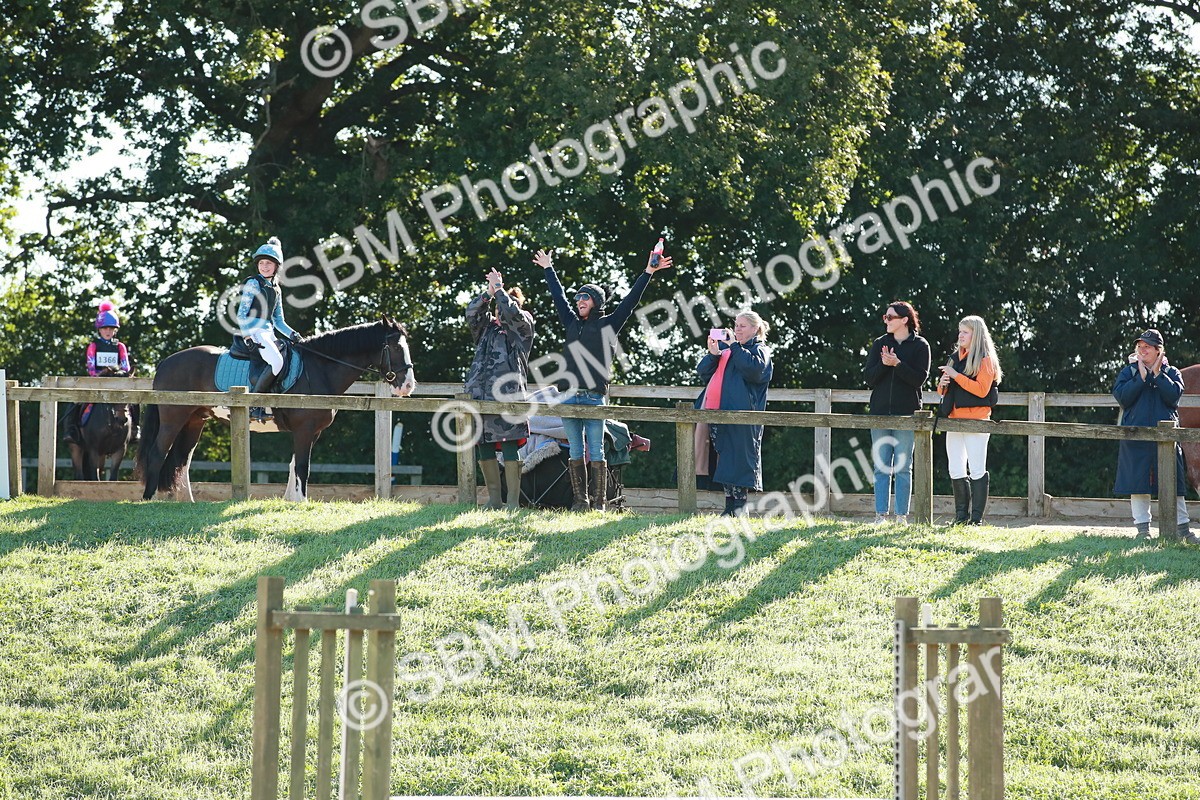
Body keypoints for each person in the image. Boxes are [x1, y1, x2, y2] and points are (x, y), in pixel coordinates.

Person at [535, 245, 673, 511]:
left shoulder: (609, 324)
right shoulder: (571, 322)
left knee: (596, 451)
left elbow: (631, 301)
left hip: (594, 397)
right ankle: (580, 501)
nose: (579, 302)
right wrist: (548, 269)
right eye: (578, 299)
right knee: (575, 451)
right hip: (569, 395)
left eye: (584, 298)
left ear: (596, 301)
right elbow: (558, 297)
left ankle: (599, 503)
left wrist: (648, 271)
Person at [1112, 329, 1196, 542]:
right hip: (1137, 437)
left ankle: (1183, 530)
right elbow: (1123, 398)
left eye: (1147, 347)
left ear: (1159, 351)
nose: (1142, 350)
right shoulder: (1128, 373)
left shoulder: (1173, 372)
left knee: (1174, 486)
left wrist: (1158, 375)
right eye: (1140, 346)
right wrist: (1140, 377)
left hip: (1166, 439)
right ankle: (1143, 531)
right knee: (1138, 485)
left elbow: (1173, 397)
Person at [463, 268, 535, 510]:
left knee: (509, 445)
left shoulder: (521, 329)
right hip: (479, 399)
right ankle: (494, 501)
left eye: (503, 305)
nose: (500, 311)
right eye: (497, 307)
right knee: (483, 446)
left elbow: (514, 314)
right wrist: (488, 293)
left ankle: (513, 503)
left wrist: (501, 291)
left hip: (508, 400)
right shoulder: (487, 329)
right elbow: (472, 314)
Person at [695, 311, 773, 517]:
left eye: (743, 326)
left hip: (742, 414)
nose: (737, 329)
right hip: (717, 411)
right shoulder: (729, 349)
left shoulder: (759, 349)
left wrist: (734, 347)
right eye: (736, 325)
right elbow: (702, 371)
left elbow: (755, 371)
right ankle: (730, 506)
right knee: (724, 459)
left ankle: (739, 507)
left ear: (755, 329)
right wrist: (713, 353)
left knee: (738, 459)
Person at [864, 301, 931, 525]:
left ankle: (902, 516)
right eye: (885, 317)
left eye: (890, 317)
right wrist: (885, 364)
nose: (886, 320)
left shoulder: (921, 346)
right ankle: (880, 515)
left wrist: (898, 364)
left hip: (907, 415)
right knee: (881, 466)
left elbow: (919, 379)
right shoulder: (879, 344)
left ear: (904, 320)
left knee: (903, 468)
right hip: (880, 414)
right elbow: (869, 378)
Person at [937, 315, 1003, 525]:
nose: (960, 335)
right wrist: (943, 382)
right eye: (960, 331)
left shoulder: (986, 360)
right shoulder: (955, 357)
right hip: (954, 420)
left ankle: (976, 520)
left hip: (976, 420)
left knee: (977, 469)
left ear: (976, 334)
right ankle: (960, 518)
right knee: (955, 468)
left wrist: (955, 376)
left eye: (965, 332)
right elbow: (942, 391)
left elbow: (982, 390)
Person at [236, 236, 301, 422]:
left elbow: (278, 320)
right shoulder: (253, 283)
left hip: (268, 331)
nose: (264, 266)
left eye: (269, 263)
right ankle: (254, 405)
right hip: (254, 330)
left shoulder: (277, 288)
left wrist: (293, 334)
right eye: (262, 263)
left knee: (289, 358)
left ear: (276, 266)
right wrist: (248, 338)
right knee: (277, 362)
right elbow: (241, 314)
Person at [63, 300, 140, 446]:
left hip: (117, 384)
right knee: (76, 400)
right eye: (105, 328)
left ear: (115, 330)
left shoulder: (120, 346)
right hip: (97, 382)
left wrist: (119, 375)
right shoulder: (93, 346)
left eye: (111, 328)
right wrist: (102, 373)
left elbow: (125, 366)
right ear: (99, 329)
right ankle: (70, 430)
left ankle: (136, 428)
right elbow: (91, 369)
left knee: (135, 401)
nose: (108, 331)